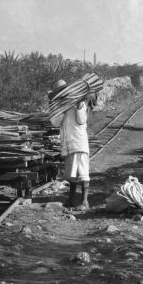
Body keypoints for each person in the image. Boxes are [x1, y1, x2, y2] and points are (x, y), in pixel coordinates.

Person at [49, 79, 91, 210]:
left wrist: (78, 105)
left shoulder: (79, 103)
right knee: (72, 174)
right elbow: (55, 122)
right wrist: (61, 110)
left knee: (83, 172)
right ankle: (71, 199)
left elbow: (82, 121)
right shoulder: (58, 106)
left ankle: (85, 201)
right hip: (68, 144)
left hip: (79, 142)